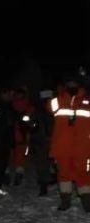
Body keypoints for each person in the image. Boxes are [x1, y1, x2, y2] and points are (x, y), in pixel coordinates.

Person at [47, 76, 90, 211]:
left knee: (84, 173)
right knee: (64, 174)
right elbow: (47, 107)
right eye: (69, 83)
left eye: (74, 82)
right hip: (62, 147)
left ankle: (87, 202)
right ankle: (65, 201)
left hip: (83, 147)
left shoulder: (88, 101)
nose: (72, 84)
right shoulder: (57, 100)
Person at [10, 88, 33, 185]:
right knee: (15, 155)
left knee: (19, 155)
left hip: (21, 135)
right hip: (15, 135)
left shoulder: (27, 107)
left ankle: (18, 174)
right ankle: (16, 173)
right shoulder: (12, 105)